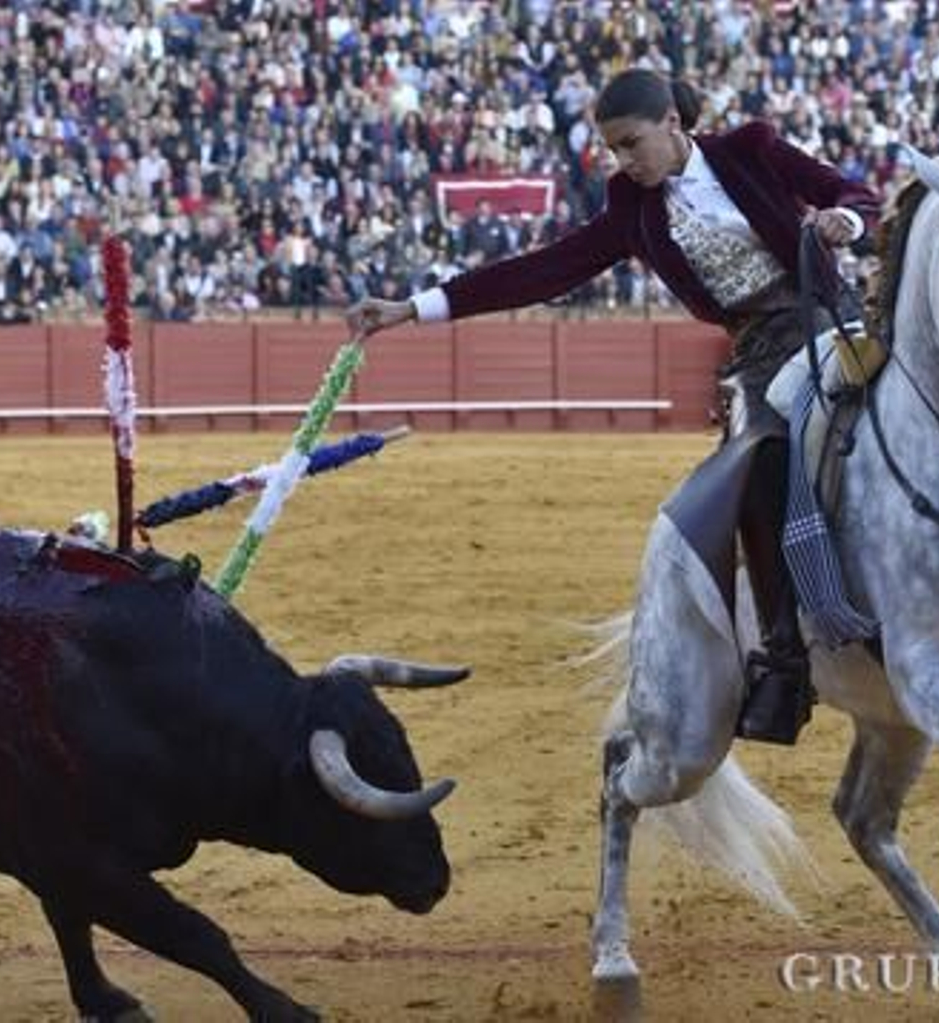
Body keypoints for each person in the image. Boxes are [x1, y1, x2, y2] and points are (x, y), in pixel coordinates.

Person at [348, 69, 880, 745]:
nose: (625, 160)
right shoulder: (632, 207)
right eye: (614, 149)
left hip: (830, 320)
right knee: (754, 463)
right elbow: (543, 270)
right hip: (756, 353)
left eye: (632, 143)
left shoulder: (751, 148)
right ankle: (783, 657)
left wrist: (844, 220)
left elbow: (852, 192)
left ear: (672, 125)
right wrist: (412, 308)